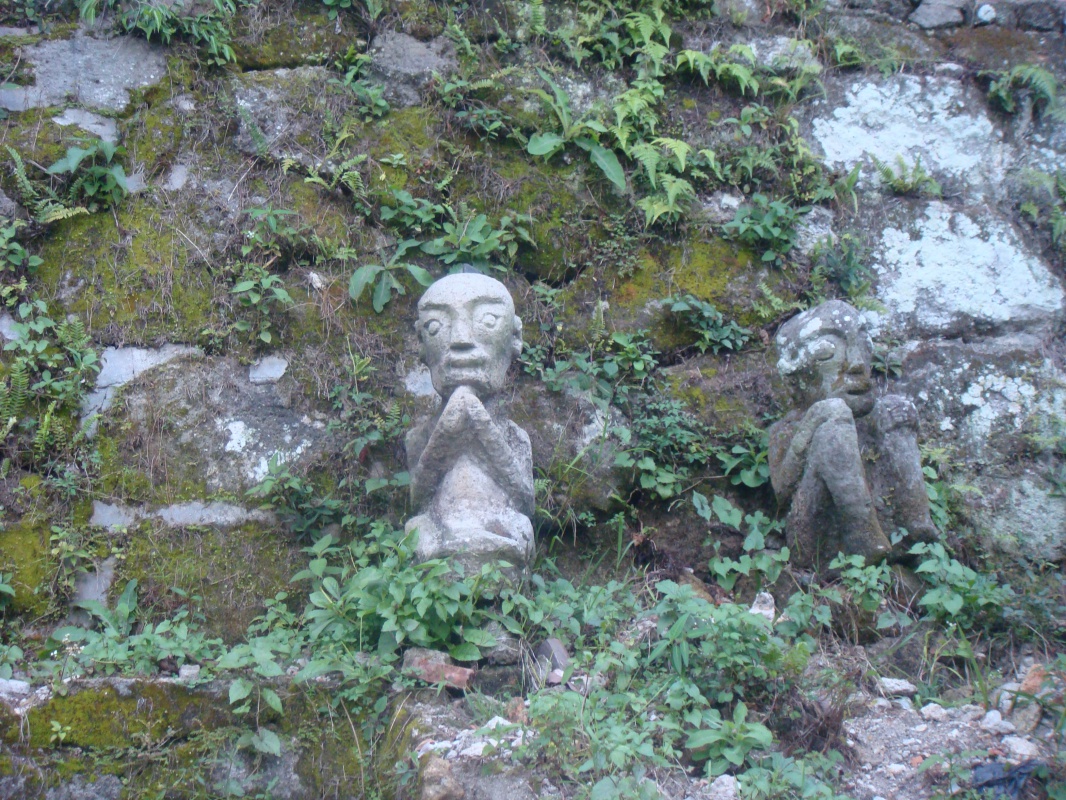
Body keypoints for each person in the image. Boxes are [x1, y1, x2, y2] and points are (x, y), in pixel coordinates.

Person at [768, 300, 936, 568]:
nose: (857, 364)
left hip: (890, 530)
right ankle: (863, 537)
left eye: (862, 346)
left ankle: (916, 526)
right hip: (820, 541)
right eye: (827, 353)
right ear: (794, 378)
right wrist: (815, 422)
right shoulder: (788, 429)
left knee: (895, 408)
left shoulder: (874, 418)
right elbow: (782, 491)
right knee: (833, 428)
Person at [404, 273, 535, 575]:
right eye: (436, 326)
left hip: (499, 527)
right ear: (421, 343)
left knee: (521, 526)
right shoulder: (418, 437)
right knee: (417, 530)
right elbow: (418, 497)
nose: (461, 340)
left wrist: (477, 420)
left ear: (515, 338)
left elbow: (523, 498)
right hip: (440, 530)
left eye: (488, 320)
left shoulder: (516, 437)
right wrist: (449, 429)